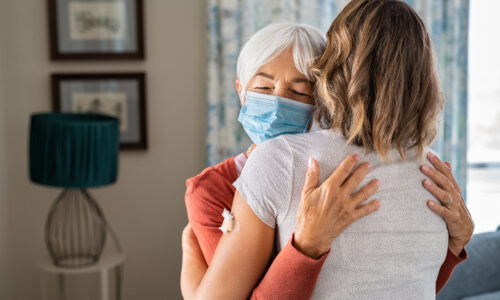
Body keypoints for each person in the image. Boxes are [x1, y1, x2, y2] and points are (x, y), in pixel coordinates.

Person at [181, 15, 472, 299]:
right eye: (264, 88)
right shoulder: (215, 186)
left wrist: (455, 245)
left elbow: (404, 284)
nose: (279, 103)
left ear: (322, 95)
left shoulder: (428, 172)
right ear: (241, 91)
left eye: (298, 92)